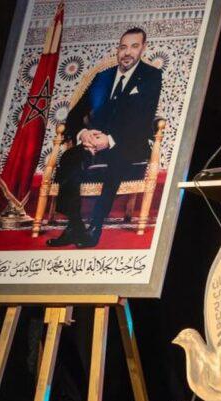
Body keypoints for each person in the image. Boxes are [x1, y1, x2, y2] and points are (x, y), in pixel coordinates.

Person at [46, 27, 163, 248]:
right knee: (69, 158)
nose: (127, 52)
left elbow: (143, 118)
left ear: (143, 48)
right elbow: (75, 115)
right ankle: (74, 226)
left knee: (116, 160)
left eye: (134, 46)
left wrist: (109, 140)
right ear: (118, 50)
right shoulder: (103, 77)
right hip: (93, 142)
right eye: (123, 47)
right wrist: (84, 134)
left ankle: (95, 226)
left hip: (127, 143)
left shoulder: (151, 76)